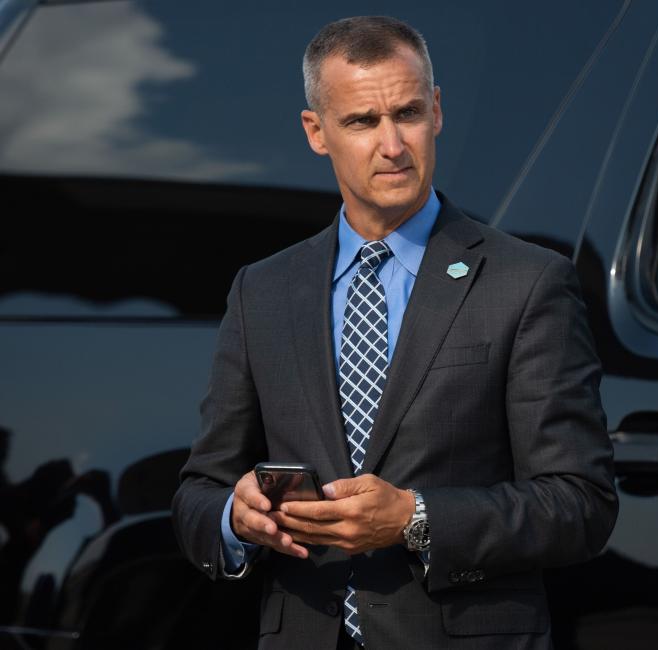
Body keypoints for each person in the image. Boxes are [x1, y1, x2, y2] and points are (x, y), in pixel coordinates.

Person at [172, 15, 617, 650]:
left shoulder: (527, 282)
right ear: (316, 132)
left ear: (436, 111)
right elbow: (198, 493)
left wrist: (416, 518)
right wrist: (234, 517)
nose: (392, 144)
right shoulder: (262, 291)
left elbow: (580, 505)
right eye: (362, 121)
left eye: (407, 113)